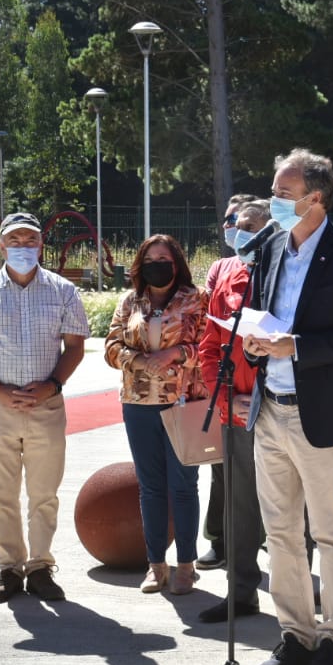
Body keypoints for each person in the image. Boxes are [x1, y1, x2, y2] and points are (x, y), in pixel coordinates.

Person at [242, 148, 333, 665]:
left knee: (330, 532)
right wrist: (257, 344)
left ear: (314, 198)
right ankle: (296, 635)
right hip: (269, 408)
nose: (273, 202)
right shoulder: (272, 248)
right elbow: (265, 316)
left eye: (282, 194)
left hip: (317, 415)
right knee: (279, 532)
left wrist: (293, 346)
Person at [0, 212, 90, 604]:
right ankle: (9, 567)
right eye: (15, 240)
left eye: (30, 239)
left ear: (41, 245)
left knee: (44, 493)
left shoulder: (63, 291)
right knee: (2, 495)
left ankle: (41, 567)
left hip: (46, 407)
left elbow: (75, 346)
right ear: (1, 245)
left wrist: (52, 385)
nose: (23, 246)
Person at [104, 234, 209, 596]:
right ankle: (155, 565)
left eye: (164, 258)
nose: (157, 264)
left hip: (184, 401)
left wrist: (177, 354)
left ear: (176, 263)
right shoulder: (130, 300)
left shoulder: (195, 300)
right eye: (150, 258)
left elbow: (208, 347)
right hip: (138, 403)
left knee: (183, 486)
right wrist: (137, 359)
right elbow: (112, 346)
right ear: (140, 264)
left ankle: (186, 566)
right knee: (150, 488)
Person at [196, 199, 271, 623]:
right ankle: (241, 593)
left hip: (283, 409)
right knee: (239, 507)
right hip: (236, 411)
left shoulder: (289, 275)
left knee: (295, 511)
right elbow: (210, 346)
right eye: (236, 226)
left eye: (251, 228)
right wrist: (226, 398)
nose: (239, 234)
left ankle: (302, 602)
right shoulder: (227, 272)